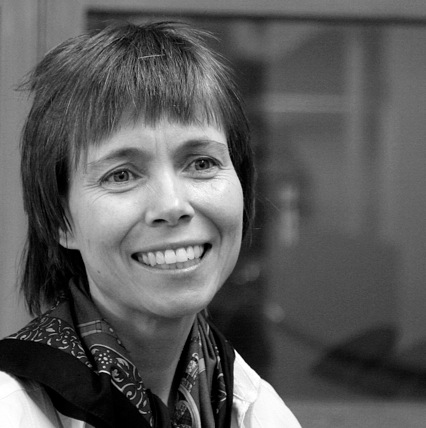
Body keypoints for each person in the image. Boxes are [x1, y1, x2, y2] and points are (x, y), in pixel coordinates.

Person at [0, 21, 301, 428]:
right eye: (122, 174)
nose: (172, 206)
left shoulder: (251, 406)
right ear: (61, 220)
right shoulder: (11, 409)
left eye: (201, 163)